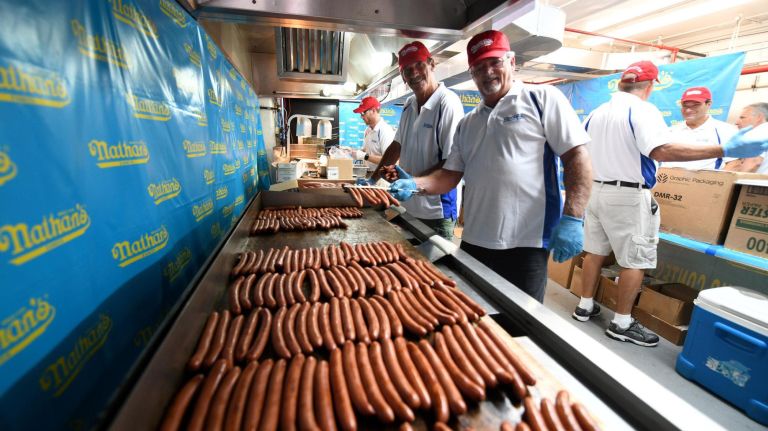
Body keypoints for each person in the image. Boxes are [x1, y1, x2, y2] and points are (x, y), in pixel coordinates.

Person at [389, 30, 593, 302]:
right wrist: (415, 184)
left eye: (494, 62)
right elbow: (449, 176)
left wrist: (573, 216)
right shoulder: (468, 123)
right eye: (479, 67)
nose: (488, 72)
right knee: (478, 320)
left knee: (522, 327)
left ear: (512, 61)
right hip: (475, 241)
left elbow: (576, 158)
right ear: (472, 73)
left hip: (526, 243)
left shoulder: (541, 99)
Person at [575, 61, 768, 347]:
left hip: (598, 191)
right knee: (634, 261)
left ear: (620, 84)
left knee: (594, 252)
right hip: (628, 196)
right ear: (651, 86)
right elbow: (662, 150)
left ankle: (584, 305)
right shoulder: (643, 110)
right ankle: (621, 323)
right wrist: (724, 150)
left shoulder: (596, 113)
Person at [366, 41, 464, 240]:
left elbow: (451, 162)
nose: (414, 73)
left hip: (437, 210)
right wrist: (372, 180)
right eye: (407, 69)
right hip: (409, 206)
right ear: (402, 76)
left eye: (419, 65)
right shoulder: (409, 104)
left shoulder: (447, 103)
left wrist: (413, 182)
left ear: (431, 64)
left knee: (434, 269)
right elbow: (396, 146)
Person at [663, 86, 737, 170]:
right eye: (684, 105)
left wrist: (714, 182)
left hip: (707, 181)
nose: (688, 110)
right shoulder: (670, 131)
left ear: (708, 104)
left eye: (695, 105)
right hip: (669, 181)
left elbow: (733, 163)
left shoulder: (725, 130)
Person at [352, 96, 395, 173]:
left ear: (373, 110)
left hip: (380, 178)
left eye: (363, 113)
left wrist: (364, 156)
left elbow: (389, 160)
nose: (361, 116)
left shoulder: (385, 131)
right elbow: (366, 151)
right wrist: (353, 152)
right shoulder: (368, 130)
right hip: (367, 174)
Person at [725, 103, 768, 173]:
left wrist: (731, 183)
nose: (736, 122)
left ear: (759, 117)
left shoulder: (758, 131)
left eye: (742, 117)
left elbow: (753, 162)